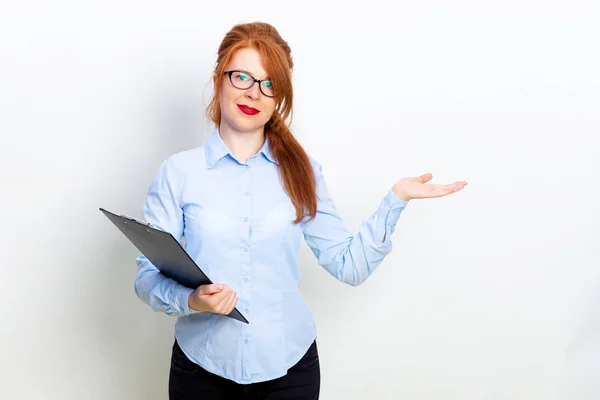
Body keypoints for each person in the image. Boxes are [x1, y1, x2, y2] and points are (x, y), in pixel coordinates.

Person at [134, 21, 467, 400]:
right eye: (241, 76)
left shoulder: (303, 172)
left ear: (279, 97)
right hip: (201, 370)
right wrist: (193, 300)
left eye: (268, 83)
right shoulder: (178, 173)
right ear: (218, 79)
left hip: (290, 372)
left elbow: (349, 266)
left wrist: (395, 200)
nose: (253, 93)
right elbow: (147, 278)